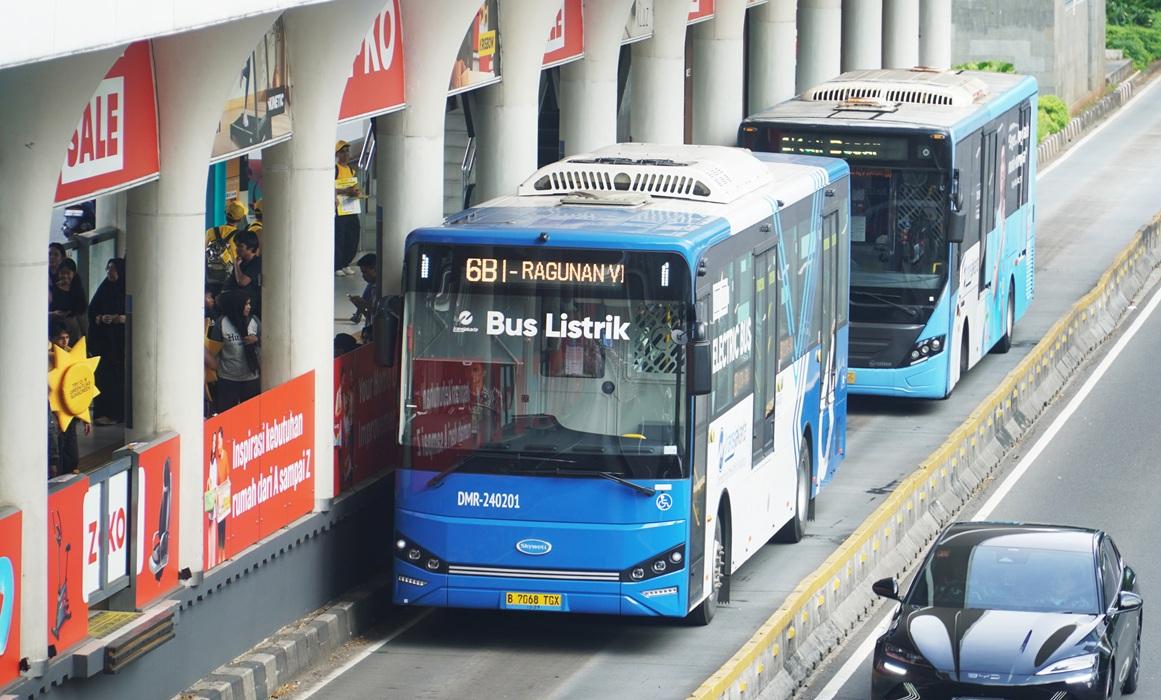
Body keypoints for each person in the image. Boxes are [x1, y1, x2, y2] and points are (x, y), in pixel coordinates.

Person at [87, 258, 127, 425]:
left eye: (114, 269)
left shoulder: (125, 289)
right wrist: (101, 317)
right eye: (108, 268)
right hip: (104, 343)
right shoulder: (104, 288)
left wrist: (119, 318)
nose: (110, 272)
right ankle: (102, 412)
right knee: (103, 378)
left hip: (119, 344)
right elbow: (92, 310)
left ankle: (116, 414)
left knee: (117, 379)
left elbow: (133, 315)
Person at [207, 290, 260, 414]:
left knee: (251, 414)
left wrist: (256, 339)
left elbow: (267, 342)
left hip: (251, 377)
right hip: (228, 378)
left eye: (249, 304)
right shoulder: (222, 323)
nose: (249, 307)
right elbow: (214, 349)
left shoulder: (254, 321)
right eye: (246, 304)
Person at [49, 318, 90, 472]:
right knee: (56, 452)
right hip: (53, 412)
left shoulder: (73, 355)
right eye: (61, 338)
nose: (65, 341)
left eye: (66, 337)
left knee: (71, 454)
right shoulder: (46, 358)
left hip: (69, 411)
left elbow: (82, 386)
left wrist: (85, 416)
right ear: (51, 339)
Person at [334, 141, 363, 277]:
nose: (345, 154)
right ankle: (337, 265)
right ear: (337, 154)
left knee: (352, 236)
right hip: (339, 209)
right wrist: (346, 191)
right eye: (342, 152)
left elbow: (354, 187)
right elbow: (331, 188)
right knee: (339, 237)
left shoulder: (351, 170)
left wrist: (356, 193)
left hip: (351, 208)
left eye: (347, 151)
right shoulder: (335, 169)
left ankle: (346, 262)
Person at [205, 200, 248, 283]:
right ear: (240, 219)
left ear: (225, 214)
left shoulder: (210, 231)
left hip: (210, 276)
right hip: (231, 278)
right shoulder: (240, 235)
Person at [225, 229, 262, 318]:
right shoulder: (242, 262)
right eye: (236, 246)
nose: (237, 249)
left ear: (251, 248)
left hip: (248, 305)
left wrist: (236, 265)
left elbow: (242, 282)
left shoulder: (256, 263)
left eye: (240, 246)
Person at [50, 258, 88, 342]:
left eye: (68, 273)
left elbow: (81, 313)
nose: (65, 276)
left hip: (73, 330)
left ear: (73, 274)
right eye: (62, 273)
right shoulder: (52, 290)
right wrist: (54, 314)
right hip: (57, 331)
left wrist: (84, 334)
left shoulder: (77, 290)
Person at [347, 253, 380, 333]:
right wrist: (361, 307)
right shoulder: (371, 287)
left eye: (365, 272)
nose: (363, 276)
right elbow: (371, 316)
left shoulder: (381, 289)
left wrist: (364, 304)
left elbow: (379, 313)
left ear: (375, 269)